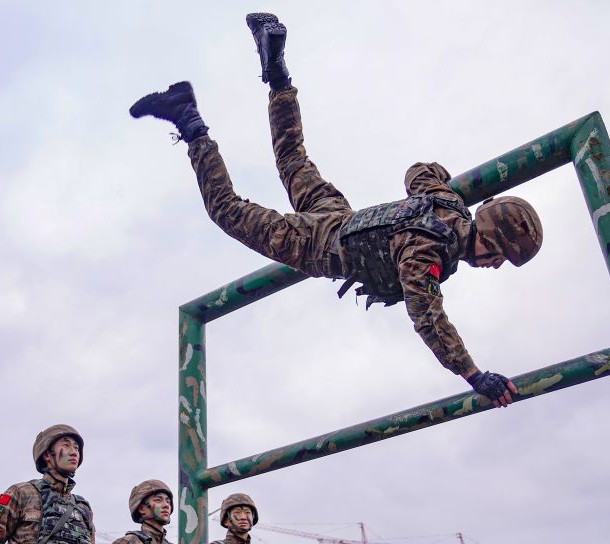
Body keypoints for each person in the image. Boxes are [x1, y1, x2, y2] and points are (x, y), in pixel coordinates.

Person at [130, 13, 545, 408]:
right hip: (315, 242)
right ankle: (189, 120)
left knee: (292, 159)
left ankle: (277, 74)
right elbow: (429, 319)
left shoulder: (446, 202)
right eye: (500, 257)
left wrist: (437, 194)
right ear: (490, 240)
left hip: (340, 216)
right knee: (228, 211)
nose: (494, 266)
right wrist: (475, 375)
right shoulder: (430, 253)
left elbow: (420, 171)